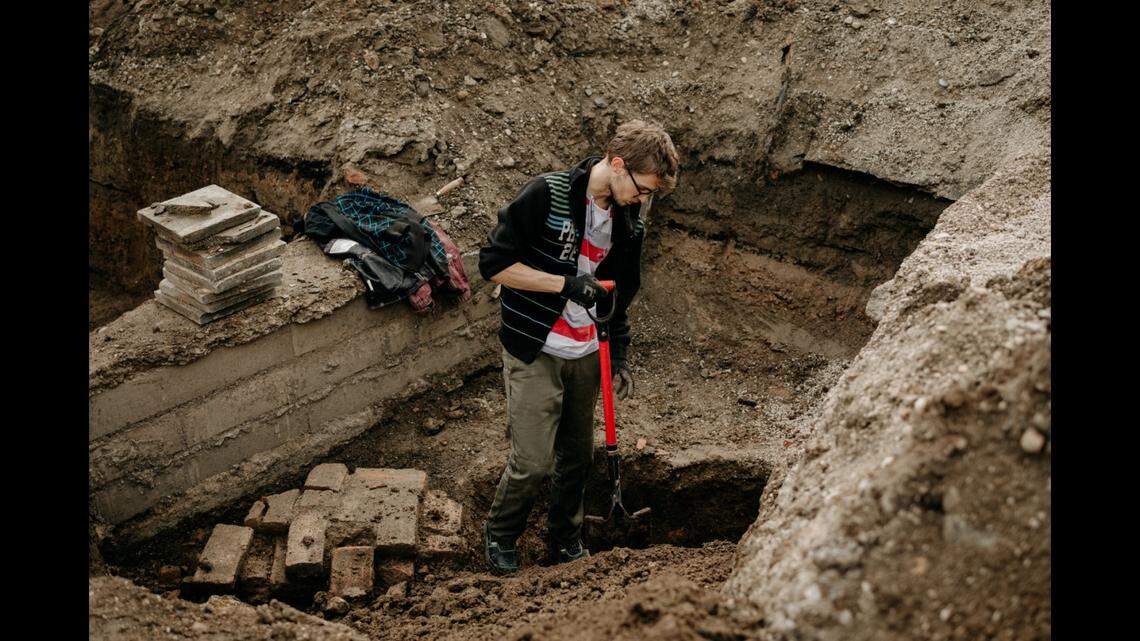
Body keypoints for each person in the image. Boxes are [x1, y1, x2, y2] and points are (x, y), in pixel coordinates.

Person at [477, 120, 679, 572]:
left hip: (588, 349)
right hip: (536, 344)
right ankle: (501, 534)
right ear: (618, 164)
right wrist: (565, 284)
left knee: (577, 459)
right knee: (532, 462)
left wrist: (619, 354)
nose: (643, 201)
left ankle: (565, 539)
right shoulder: (546, 194)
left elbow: (619, 295)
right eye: (643, 190)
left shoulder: (630, 221)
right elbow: (494, 264)